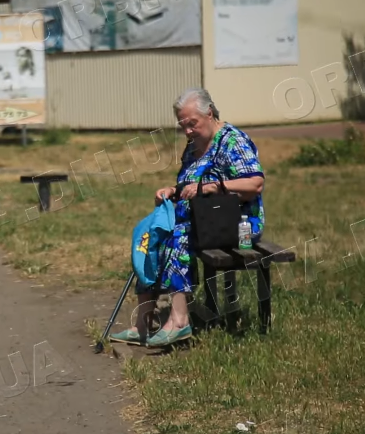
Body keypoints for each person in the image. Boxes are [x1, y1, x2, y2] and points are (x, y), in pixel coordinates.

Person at [110, 88, 266, 348]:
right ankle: (144, 323)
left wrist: (215, 187)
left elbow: (255, 184)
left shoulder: (232, 140)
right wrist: (172, 191)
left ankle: (180, 321)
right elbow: (187, 184)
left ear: (209, 113)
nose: (188, 131)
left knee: (178, 235)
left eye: (192, 124)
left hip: (239, 223)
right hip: (201, 219)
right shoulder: (193, 146)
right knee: (150, 235)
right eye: (183, 126)